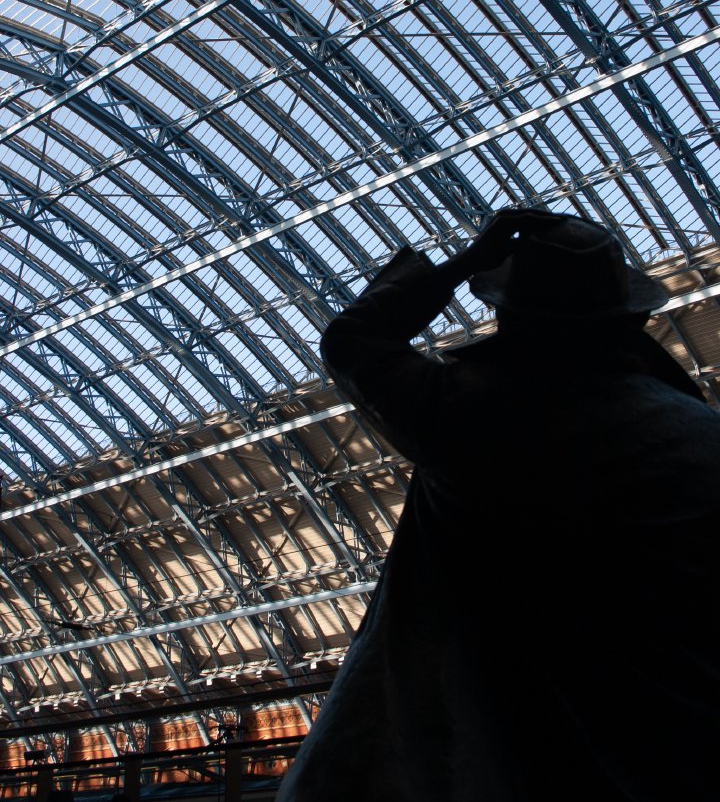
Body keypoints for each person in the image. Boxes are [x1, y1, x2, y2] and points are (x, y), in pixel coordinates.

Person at [276, 208, 720, 801]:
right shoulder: (702, 437)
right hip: (669, 753)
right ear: (630, 317)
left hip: (486, 744)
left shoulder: (465, 414)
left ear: (508, 312)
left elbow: (352, 340)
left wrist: (462, 262)